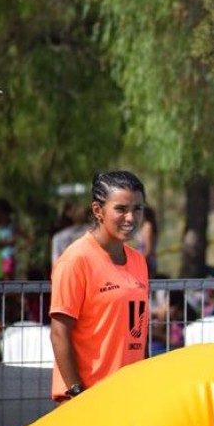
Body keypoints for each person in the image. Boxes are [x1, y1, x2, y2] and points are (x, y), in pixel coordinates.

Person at [49, 171, 150, 403]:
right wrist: (77, 394)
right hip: (87, 398)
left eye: (138, 209)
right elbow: (59, 333)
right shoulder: (76, 260)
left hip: (129, 395)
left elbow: (139, 330)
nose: (131, 218)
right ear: (98, 211)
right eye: (121, 209)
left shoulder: (138, 261)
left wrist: (145, 382)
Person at [135, 204, 158, 277]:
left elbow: (148, 247)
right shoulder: (146, 225)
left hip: (147, 261)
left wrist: (142, 260)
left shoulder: (148, 226)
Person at [0, 198, 16, 280]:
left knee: (7, 284)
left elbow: (28, 238)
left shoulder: (12, 226)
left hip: (7, 258)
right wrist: (6, 242)